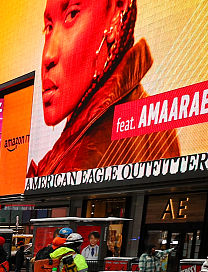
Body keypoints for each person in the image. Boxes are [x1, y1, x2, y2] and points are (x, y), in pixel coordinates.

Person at [29, 0, 179, 179]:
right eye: (49, 27)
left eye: (72, 14)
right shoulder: (156, 124)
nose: (48, 56)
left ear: (116, 14)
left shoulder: (85, 156)